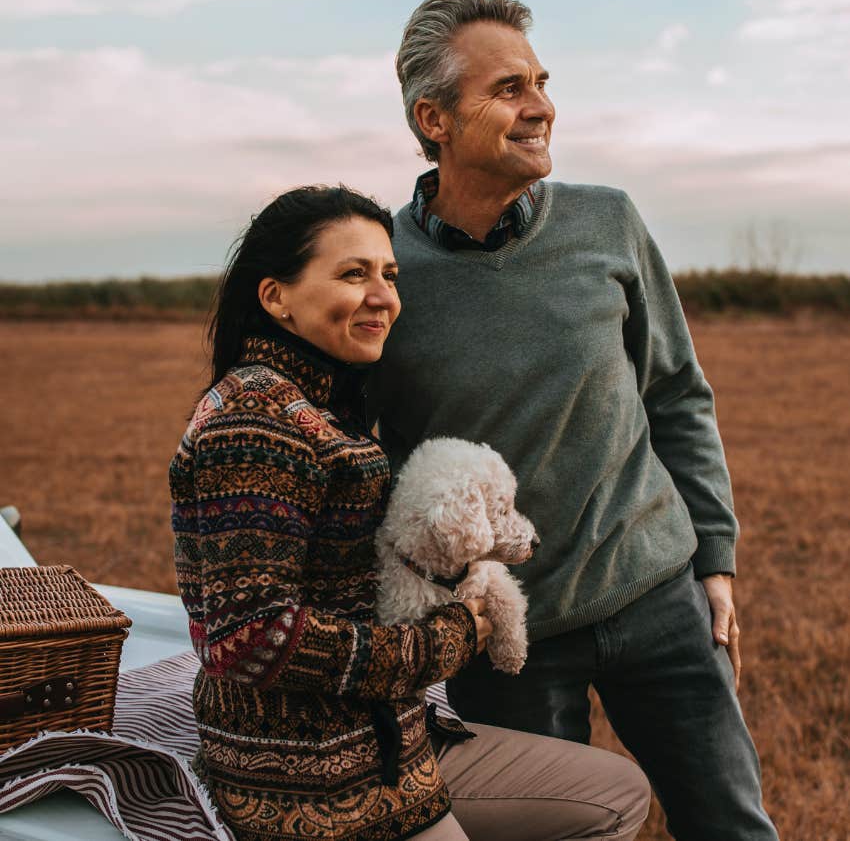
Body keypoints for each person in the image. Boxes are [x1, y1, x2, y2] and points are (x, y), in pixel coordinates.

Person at [370, 0, 780, 841]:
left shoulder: (608, 221)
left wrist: (716, 560)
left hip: (659, 596)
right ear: (432, 117)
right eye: (509, 87)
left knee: (732, 827)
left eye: (542, 82)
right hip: (506, 638)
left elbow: (676, 394)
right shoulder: (385, 271)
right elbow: (368, 459)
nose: (541, 106)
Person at [169, 185, 650, 841]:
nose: (382, 295)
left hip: (382, 740)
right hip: (317, 784)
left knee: (616, 789)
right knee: (612, 800)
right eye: (352, 273)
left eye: (389, 275)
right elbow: (251, 633)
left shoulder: (314, 401)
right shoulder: (260, 420)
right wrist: (445, 640)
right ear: (275, 296)